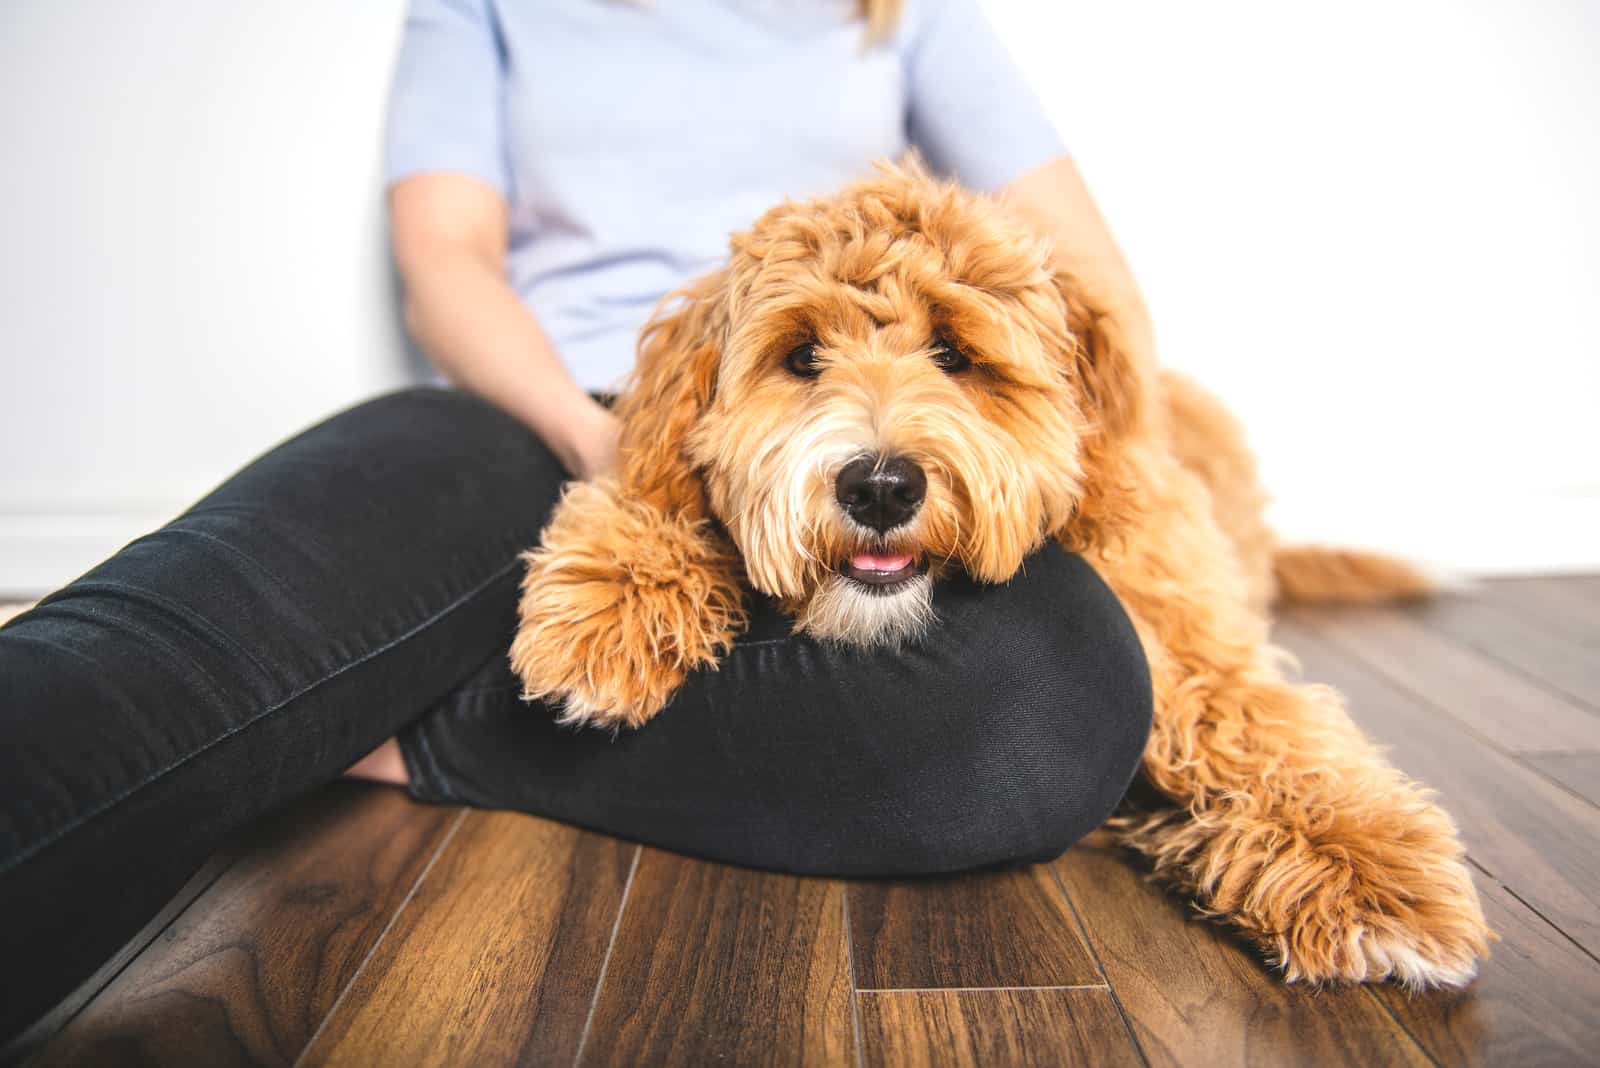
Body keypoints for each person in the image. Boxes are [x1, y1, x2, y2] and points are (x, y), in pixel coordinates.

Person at [0, 0, 1153, 1046]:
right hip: (536, 413)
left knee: (1064, 684)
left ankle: (399, 725)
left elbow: (1088, 280)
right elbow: (445, 255)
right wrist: (605, 445)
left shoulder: (905, 12)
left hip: (854, 453)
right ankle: (331, 688)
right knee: (170, 644)